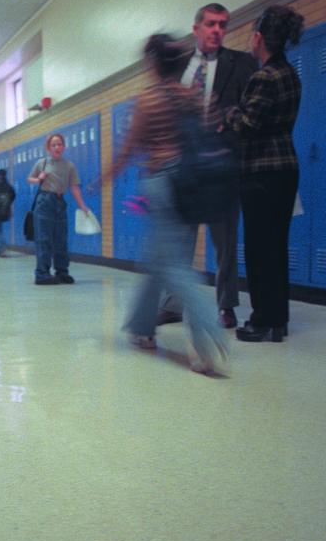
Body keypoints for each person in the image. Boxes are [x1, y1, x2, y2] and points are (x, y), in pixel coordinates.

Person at [96, 34, 228, 374]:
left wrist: (104, 178)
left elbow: (128, 148)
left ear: (153, 63)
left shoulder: (148, 100)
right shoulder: (193, 97)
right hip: (191, 183)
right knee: (160, 260)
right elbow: (211, 132)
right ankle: (141, 329)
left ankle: (207, 337)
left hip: (160, 182)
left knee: (175, 267)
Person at [158, 3, 258, 329]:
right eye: (211, 24)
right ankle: (173, 305)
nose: (217, 30)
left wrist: (225, 128)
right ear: (196, 28)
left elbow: (248, 111)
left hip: (220, 165)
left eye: (223, 25)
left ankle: (226, 305)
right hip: (184, 167)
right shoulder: (179, 67)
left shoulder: (240, 64)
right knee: (180, 241)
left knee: (225, 241)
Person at [224, 5, 304, 343]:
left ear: (259, 38)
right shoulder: (290, 73)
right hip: (286, 170)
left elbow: (248, 125)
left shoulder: (263, 76)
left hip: (260, 173)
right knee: (277, 246)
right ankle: (278, 320)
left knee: (258, 249)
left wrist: (230, 113)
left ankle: (261, 319)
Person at [28, 133, 91, 285]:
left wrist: (82, 205)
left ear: (63, 146)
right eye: (53, 145)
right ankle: (42, 274)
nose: (57, 147)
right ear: (49, 148)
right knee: (44, 239)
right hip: (44, 202)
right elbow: (30, 179)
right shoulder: (42, 163)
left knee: (61, 239)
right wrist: (39, 178)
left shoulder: (69, 165)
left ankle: (62, 272)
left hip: (59, 202)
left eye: (59, 144)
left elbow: (74, 186)